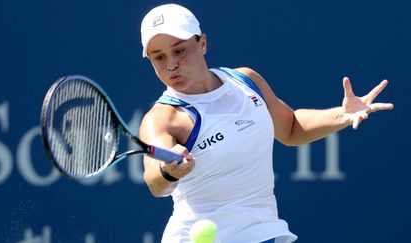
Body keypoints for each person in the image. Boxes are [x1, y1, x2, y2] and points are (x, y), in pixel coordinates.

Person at [139, 3, 394, 243]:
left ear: (202, 42)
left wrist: (343, 115)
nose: (171, 64)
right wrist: (168, 171)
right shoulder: (163, 118)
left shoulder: (246, 81)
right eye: (158, 57)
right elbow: (154, 181)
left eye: (179, 50)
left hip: (263, 232)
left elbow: (291, 128)